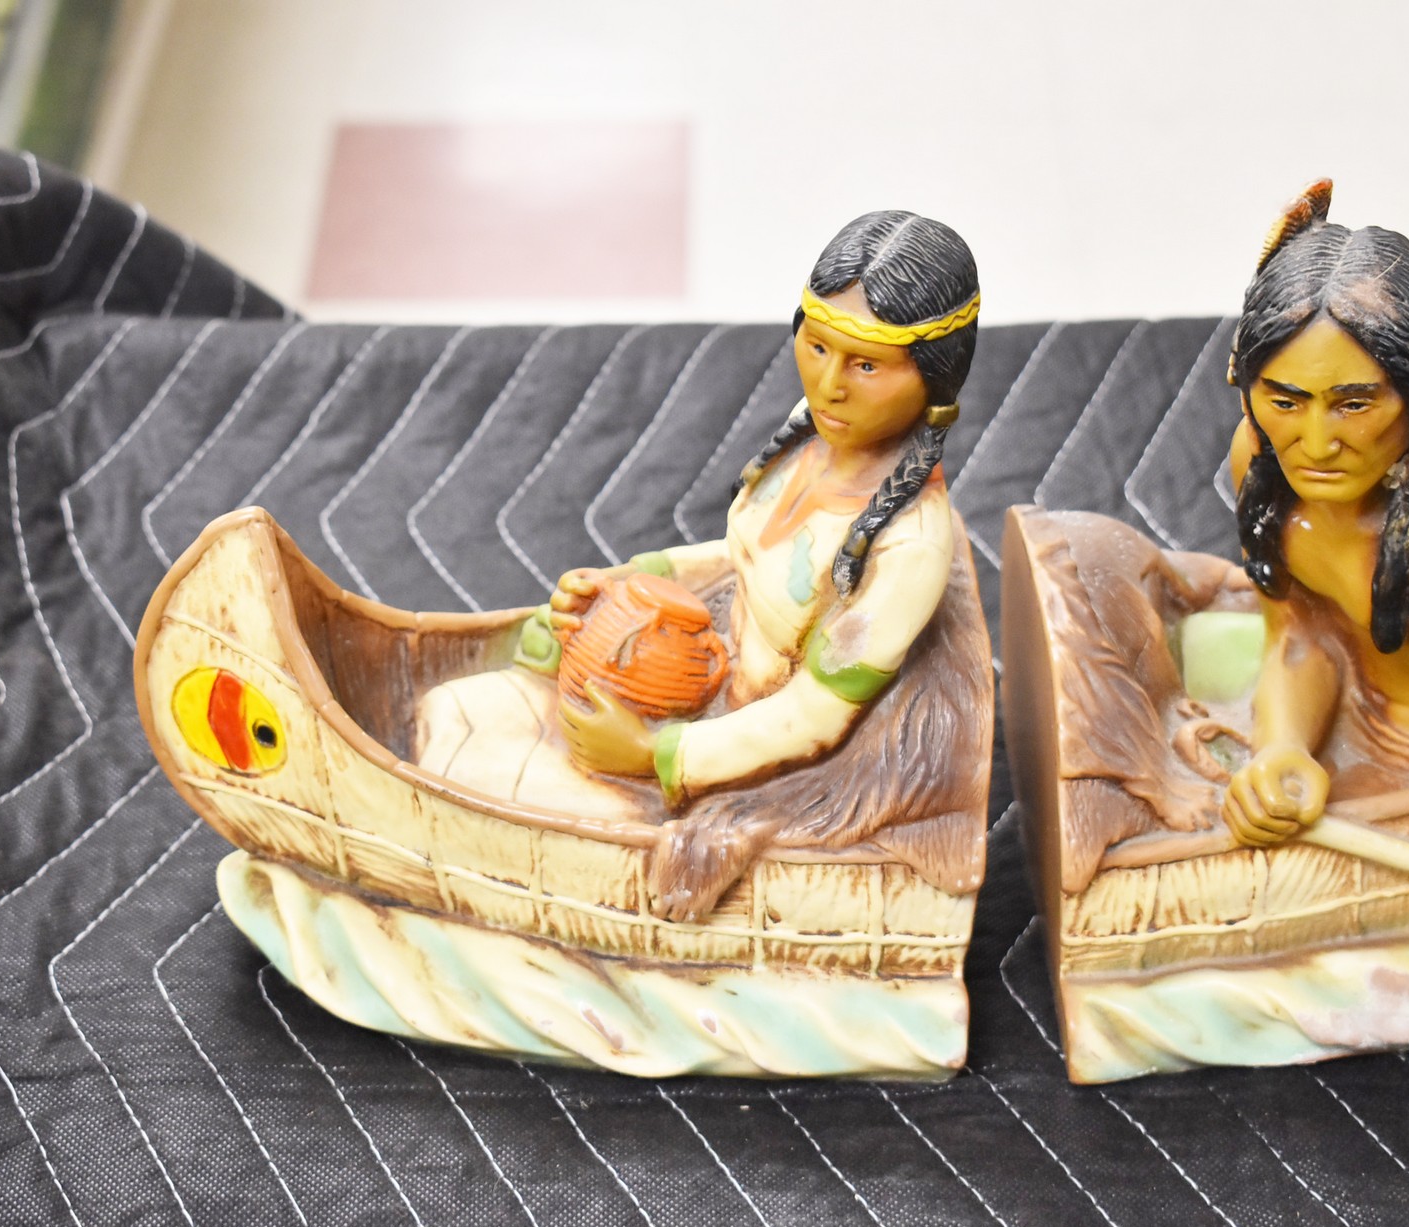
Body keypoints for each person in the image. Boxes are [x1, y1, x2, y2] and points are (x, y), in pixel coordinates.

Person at [416, 211, 989, 919]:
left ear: (934, 379)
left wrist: (657, 755)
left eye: (866, 365)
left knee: (470, 770)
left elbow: (814, 716)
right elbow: (747, 557)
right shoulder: (812, 439)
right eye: (816, 346)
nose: (829, 385)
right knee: (447, 711)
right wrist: (635, 577)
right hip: (696, 681)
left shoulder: (906, 545)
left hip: (749, 758)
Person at [1222, 182, 1409, 919]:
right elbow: (1299, 631)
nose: (1316, 444)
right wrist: (1283, 748)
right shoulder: (1262, 468)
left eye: (1354, 404)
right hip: (1345, 717)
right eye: (1285, 401)